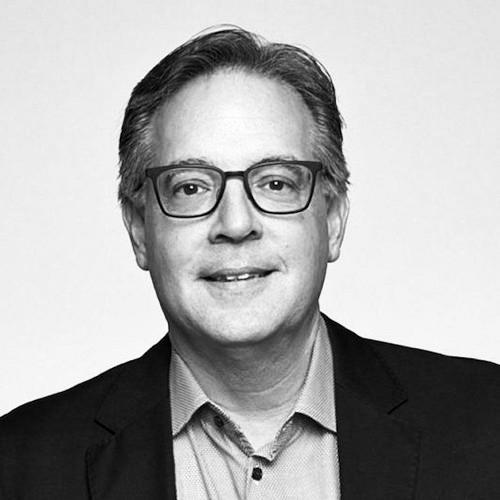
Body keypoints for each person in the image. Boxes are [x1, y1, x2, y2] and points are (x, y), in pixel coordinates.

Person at [0, 26, 499, 500]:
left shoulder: (487, 425)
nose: (236, 223)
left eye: (276, 183)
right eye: (191, 186)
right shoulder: (19, 464)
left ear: (332, 219)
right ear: (138, 229)